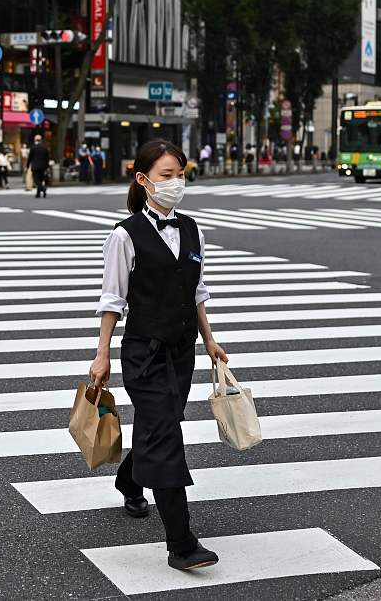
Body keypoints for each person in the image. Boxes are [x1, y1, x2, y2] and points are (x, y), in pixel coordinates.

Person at [89, 139, 227, 571]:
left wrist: (210, 340)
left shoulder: (192, 229)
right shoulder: (124, 235)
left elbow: (197, 291)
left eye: (180, 175)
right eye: (167, 176)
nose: (176, 183)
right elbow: (112, 299)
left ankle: (129, 479)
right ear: (143, 180)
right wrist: (101, 355)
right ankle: (181, 543)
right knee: (166, 434)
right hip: (144, 351)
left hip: (181, 350)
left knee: (160, 425)